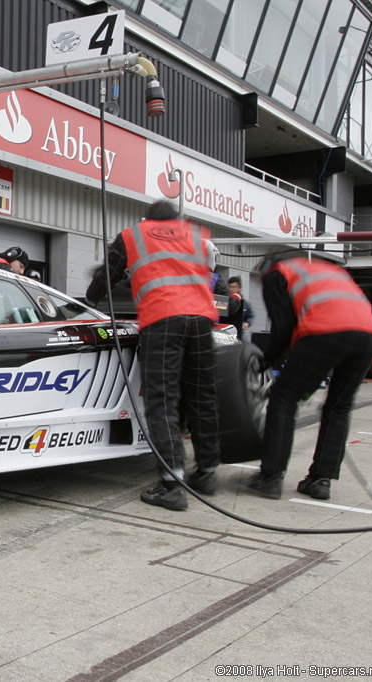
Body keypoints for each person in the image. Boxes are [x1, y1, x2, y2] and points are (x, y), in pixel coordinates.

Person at [85, 200, 220, 511]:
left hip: (162, 320)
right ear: (177, 218)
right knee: (203, 396)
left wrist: (92, 298)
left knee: (163, 400)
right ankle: (208, 472)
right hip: (201, 319)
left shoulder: (134, 235)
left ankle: (172, 484)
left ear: (147, 218)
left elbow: (108, 275)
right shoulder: (197, 236)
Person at [245, 250, 372, 501]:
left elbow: (283, 327)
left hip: (325, 330)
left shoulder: (277, 273)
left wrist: (269, 359)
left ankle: (271, 477)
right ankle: (320, 480)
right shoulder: (329, 271)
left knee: (284, 398)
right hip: (369, 334)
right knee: (339, 407)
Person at [227, 276, 254, 342]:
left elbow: (251, 316)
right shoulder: (224, 301)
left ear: (239, 288)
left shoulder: (245, 304)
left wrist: (247, 323)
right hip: (226, 332)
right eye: (230, 287)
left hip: (239, 333)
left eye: (234, 287)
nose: (232, 289)